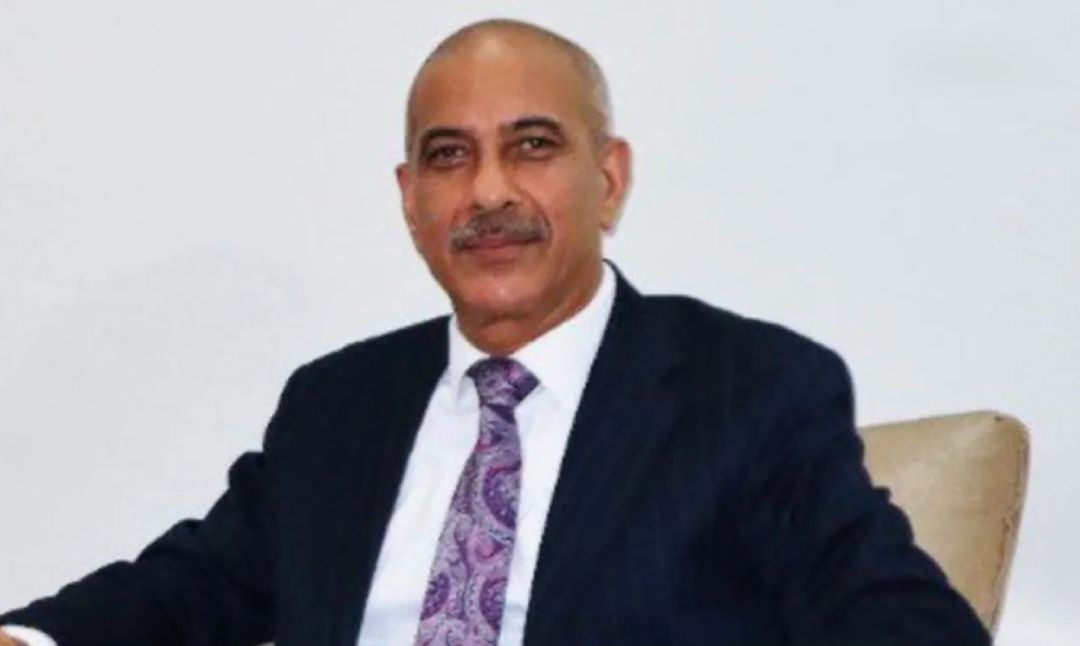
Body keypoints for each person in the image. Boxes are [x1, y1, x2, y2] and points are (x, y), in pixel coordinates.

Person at [0, 18, 990, 646]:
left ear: (609, 178)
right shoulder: (338, 405)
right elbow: (193, 587)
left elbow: (887, 611)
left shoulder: (745, 389)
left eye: (532, 146)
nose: (487, 192)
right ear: (410, 198)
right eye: (448, 156)